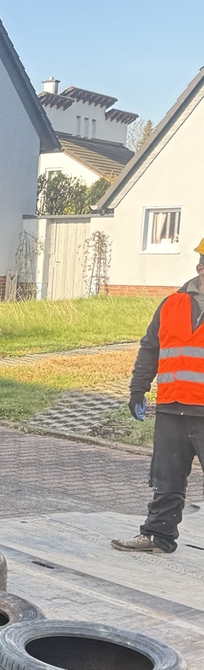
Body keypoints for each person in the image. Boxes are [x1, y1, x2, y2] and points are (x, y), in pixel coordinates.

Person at [112, 236, 204, 553]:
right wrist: (138, 389)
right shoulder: (171, 304)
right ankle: (157, 535)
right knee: (166, 479)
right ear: (200, 266)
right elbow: (151, 348)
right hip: (171, 408)